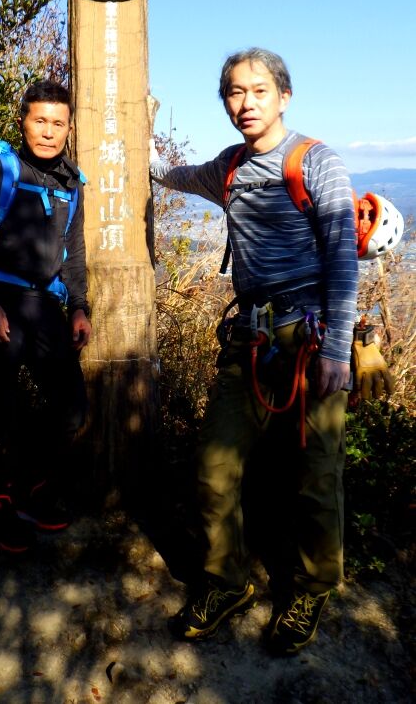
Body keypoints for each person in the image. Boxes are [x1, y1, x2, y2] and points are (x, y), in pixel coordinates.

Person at [150, 48, 359, 655]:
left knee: (316, 475)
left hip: (311, 338)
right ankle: (227, 581)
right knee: (213, 468)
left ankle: (313, 588)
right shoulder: (229, 168)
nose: (246, 103)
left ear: (283, 96)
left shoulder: (316, 162)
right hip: (249, 338)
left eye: (259, 90)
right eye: (235, 93)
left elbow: (342, 258)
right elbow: (169, 174)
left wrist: (337, 351)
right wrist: (139, 125)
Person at [0, 79, 92, 554]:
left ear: (69, 127)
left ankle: (31, 487)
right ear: (22, 122)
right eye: (40, 121)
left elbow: (74, 252)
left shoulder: (71, 184)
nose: (49, 132)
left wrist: (79, 306)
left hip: (44, 306)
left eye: (58, 123)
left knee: (72, 405)